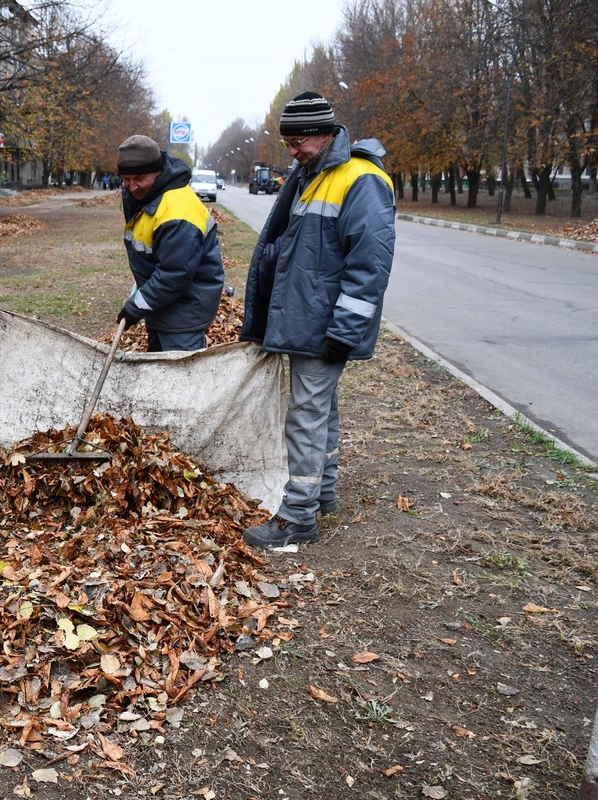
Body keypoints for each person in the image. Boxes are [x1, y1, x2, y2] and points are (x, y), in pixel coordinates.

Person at [240, 91, 397, 549]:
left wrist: (344, 332)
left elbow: (371, 266)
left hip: (325, 323)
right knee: (320, 409)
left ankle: (297, 519)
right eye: (285, 139)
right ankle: (322, 494)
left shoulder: (360, 179)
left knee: (306, 415)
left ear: (324, 132)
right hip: (309, 319)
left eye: (297, 139)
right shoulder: (313, 172)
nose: (290, 148)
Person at [116, 135, 224, 352]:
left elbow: (174, 274)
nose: (132, 187)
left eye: (139, 178)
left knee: (180, 380)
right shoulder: (148, 197)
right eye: (126, 179)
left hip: (184, 315)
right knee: (159, 376)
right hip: (164, 307)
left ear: (157, 171)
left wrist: (135, 307)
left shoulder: (177, 212)